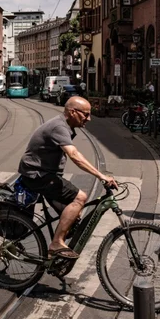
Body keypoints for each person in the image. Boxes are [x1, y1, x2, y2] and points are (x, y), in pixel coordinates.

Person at [18, 96, 117, 259]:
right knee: (80, 198)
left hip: (45, 175)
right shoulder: (59, 126)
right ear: (72, 112)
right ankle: (56, 243)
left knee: (73, 215)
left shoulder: (63, 125)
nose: (89, 119)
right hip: (37, 175)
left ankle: (54, 258)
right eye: (86, 114)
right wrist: (101, 175)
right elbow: (74, 155)